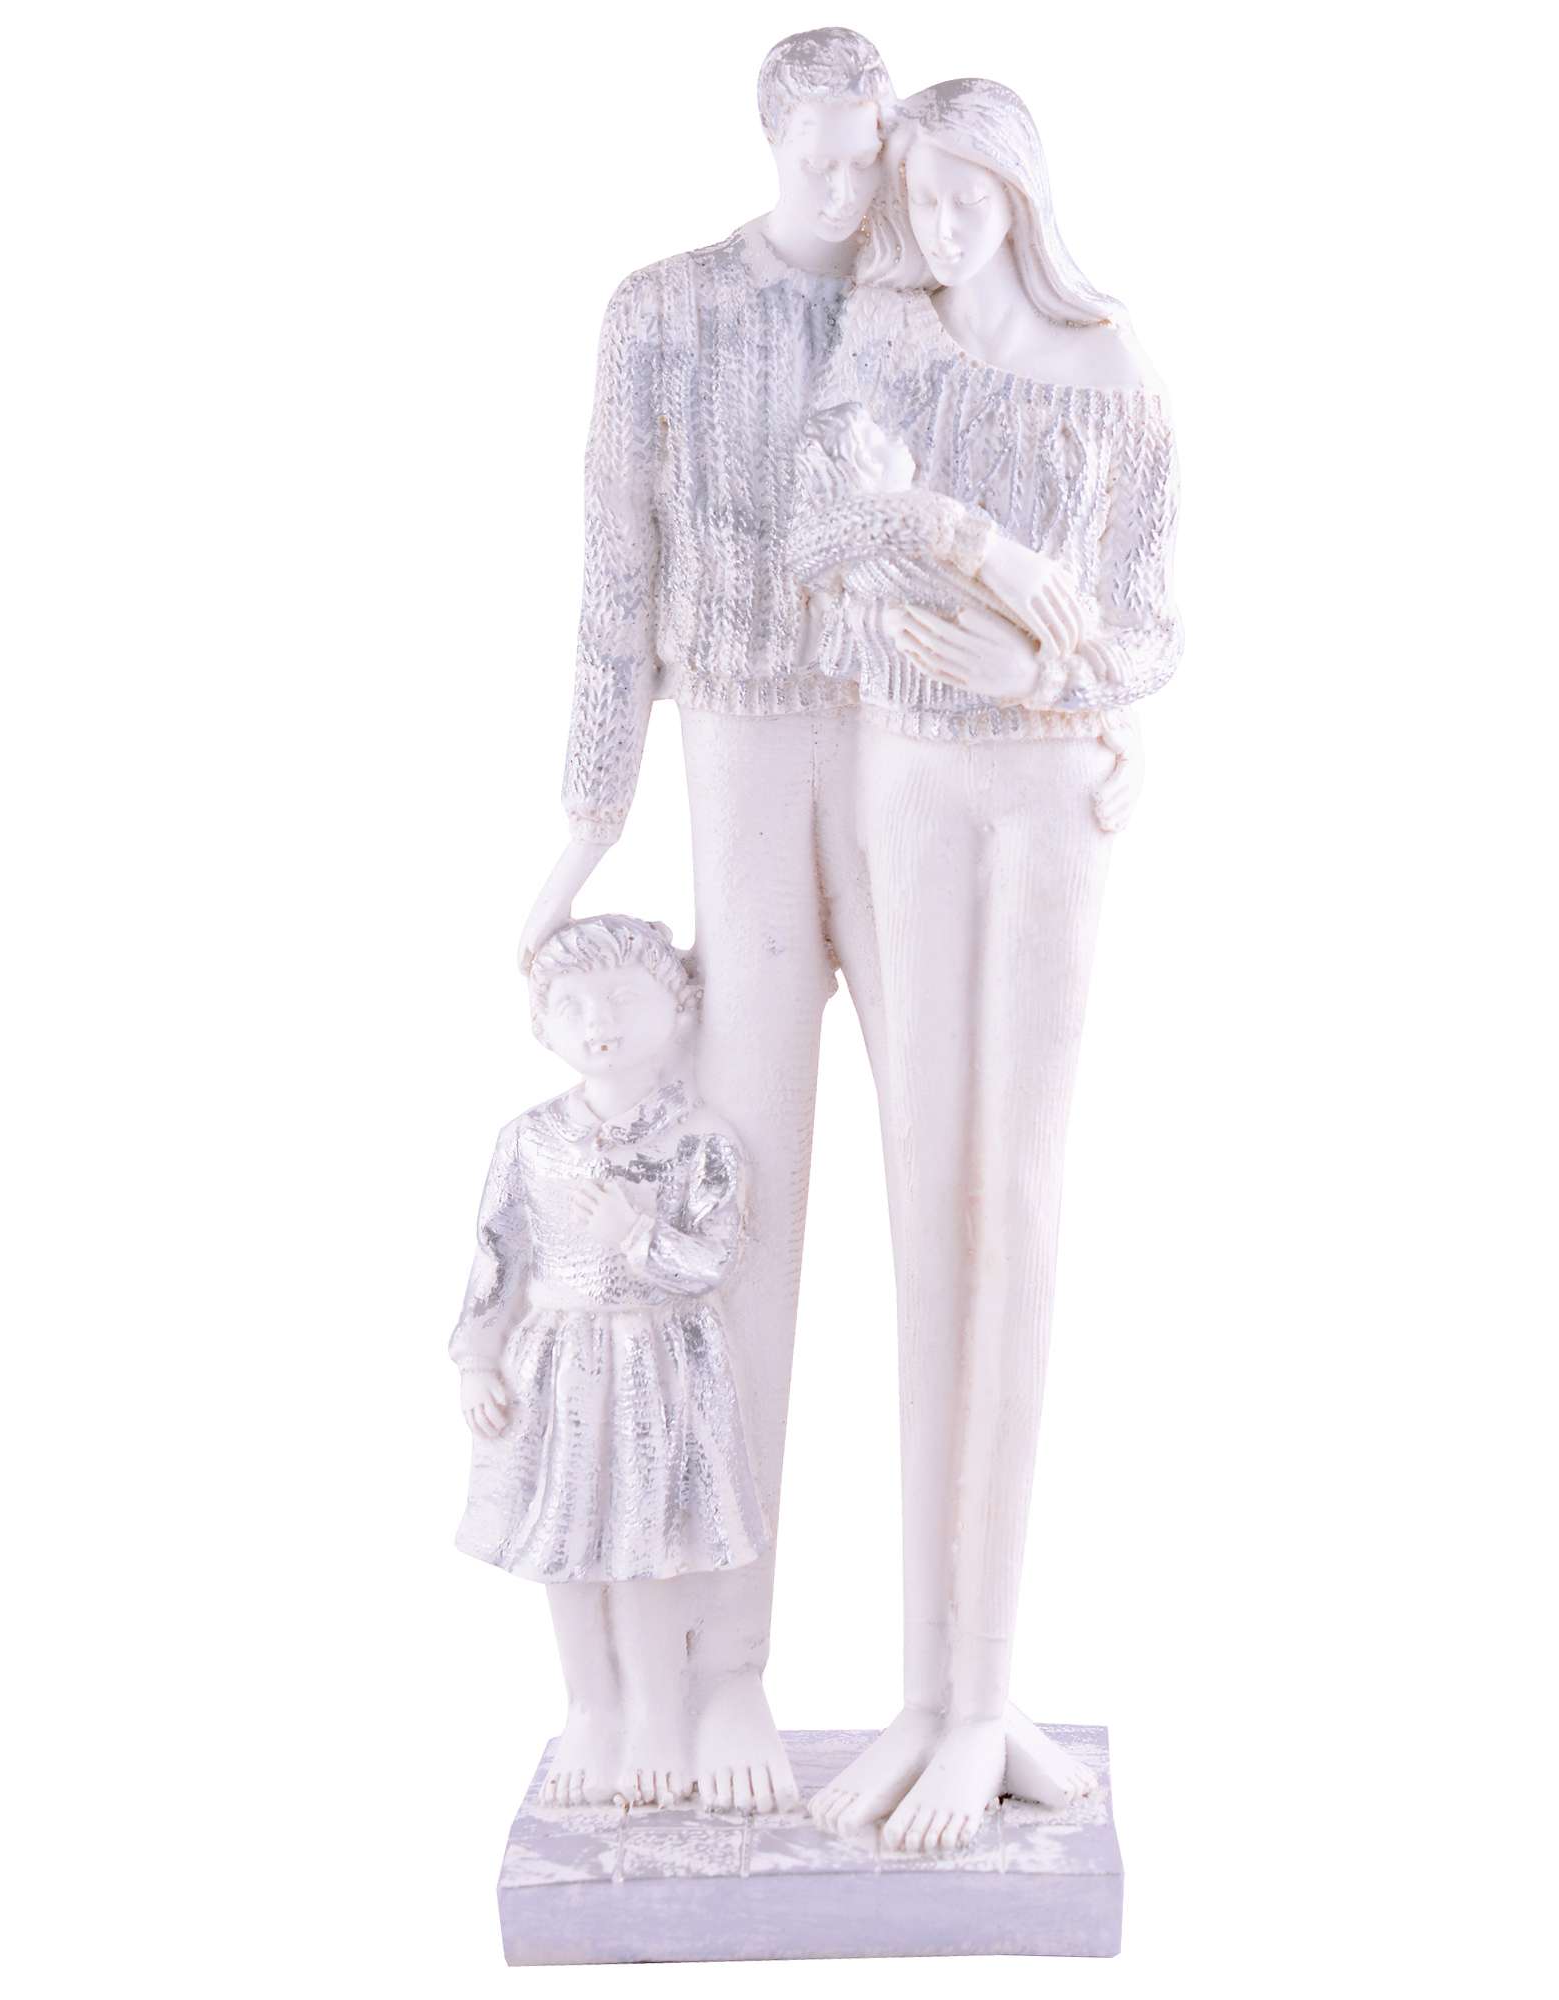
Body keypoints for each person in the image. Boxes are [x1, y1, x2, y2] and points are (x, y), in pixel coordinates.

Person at [786, 77, 1183, 1851]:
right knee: (917, 1191)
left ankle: (986, 1696)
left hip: (1047, 794)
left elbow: (1147, 618)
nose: (939, 233)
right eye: (919, 206)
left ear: (1021, 198)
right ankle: (925, 1693)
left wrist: (1048, 667)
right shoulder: (885, 346)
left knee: (1012, 1202)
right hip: (910, 776)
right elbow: (820, 539)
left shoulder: (1112, 372)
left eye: (968, 203)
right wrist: (956, 561)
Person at [514, 26, 899, 1813]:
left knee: (962, 1187)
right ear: (770, 134)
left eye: (865, 148)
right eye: (817, 148)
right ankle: (717, 1667)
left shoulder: (934, 301)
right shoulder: (664, 312)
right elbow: (617, 574)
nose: (843, 179)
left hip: (925, 754)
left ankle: (957, 1685)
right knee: (736, 1212)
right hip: (741, 749)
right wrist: (587, 822)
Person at [452, 915, 766, 1811]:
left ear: (679, 1008)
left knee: (644, 1549)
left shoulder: (698, 1140)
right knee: (565, 1549)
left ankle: (657, 1716)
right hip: (556, 1367)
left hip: (655, 1367)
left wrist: (635, 1236)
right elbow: (497, 1254)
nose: (600, 1021)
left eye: (625, 998)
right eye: (573, 1005)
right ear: (542, 1024)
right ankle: (590, 1706)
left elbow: (717, 1259)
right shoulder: (528, 1139)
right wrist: (476, 1358)